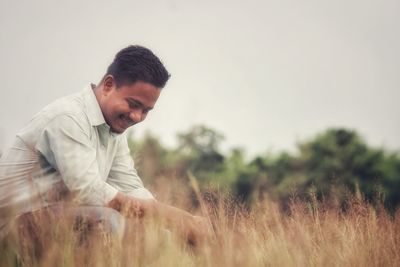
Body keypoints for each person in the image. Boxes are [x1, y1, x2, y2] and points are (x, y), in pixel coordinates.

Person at [0, 45, 211, 261]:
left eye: (146, 110)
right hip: (9, 231)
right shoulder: (67, 118)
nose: (137, 117)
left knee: (145, 229)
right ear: (109, 85)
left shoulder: (113, 131)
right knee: (105, 221)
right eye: (133, 104)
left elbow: (131, 188)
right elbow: (88, 190)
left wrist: (176, 226)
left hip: (48, 224)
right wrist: (173, 216)